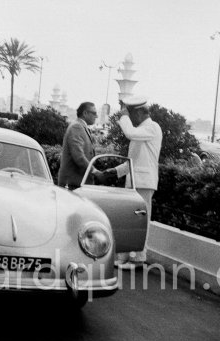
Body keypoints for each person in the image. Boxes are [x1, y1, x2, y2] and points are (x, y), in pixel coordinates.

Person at [104, 96, 162, 268]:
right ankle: (125, 256)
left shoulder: (152, 127)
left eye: (130, 113)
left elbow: (129, 132)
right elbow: (132, 161)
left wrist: (122, 116)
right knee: (130, 221)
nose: (130, 118)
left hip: (144, 182)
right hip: (135, 182)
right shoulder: (142, 130)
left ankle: (138, 259)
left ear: (138, 112)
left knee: (140, 222)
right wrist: (114, 172)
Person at [57, 102, 102, 189]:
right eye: (94, 113)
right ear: (85, 113)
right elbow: (78, 156)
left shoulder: (81, 127)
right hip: (73, 184)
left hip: (77, 183)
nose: (96, 116)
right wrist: (95, 172)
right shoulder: (76, 127)